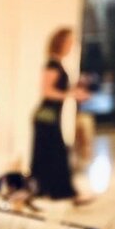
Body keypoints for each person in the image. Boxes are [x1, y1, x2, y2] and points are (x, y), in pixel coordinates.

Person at [29, 27, 93, 205]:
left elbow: (59, 90)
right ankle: (58, 191)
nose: (71, 46)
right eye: (69, 42)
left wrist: (74, 92)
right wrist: (70, 94)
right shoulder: (52, 65)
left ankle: (54, 191)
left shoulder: (58, 64)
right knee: (55, 153)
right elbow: (47, 91)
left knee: (54, 154)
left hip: (52, 116)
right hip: (46, 117)